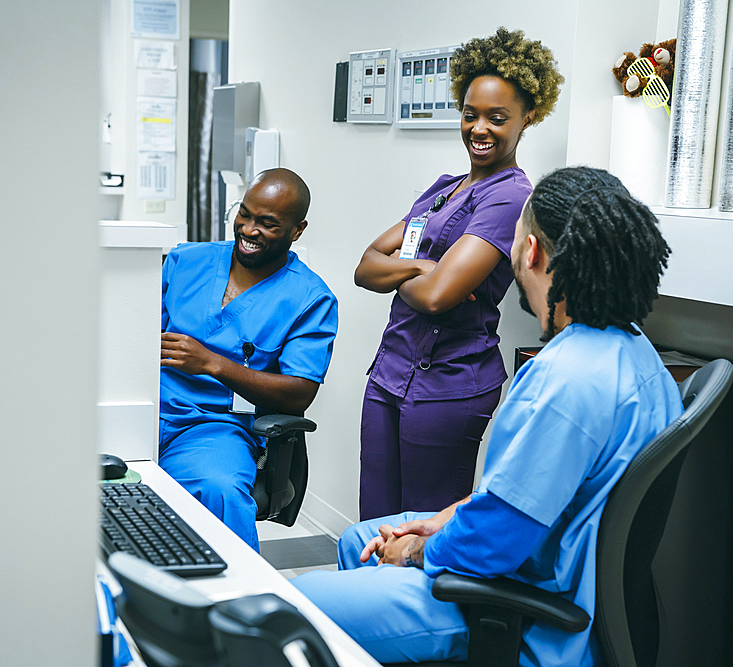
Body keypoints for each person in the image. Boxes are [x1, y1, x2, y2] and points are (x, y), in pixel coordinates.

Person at [293, 166, 683, 665]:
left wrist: (416, 551)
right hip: (542, 560)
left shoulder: (563, 381)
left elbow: (496, 540)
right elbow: (518, 499)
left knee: (299, 608)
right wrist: (438, 521)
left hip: (523, 605)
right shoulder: (637, 354)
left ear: (532, 252)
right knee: (359, 539)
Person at [352, 27, 565, 521]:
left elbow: (437, 297)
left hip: (448, 385)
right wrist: (423, 266)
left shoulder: (509, 196)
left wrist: (415, 274)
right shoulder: (444, 189)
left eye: (497, 117)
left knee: (421, 533)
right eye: (471, 114)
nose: (479, 128)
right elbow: (365, 265)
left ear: (527, 118)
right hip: (390, 374)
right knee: (376, 521)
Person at [158, 168, 337, 551]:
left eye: (268, 224)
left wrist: (213, 363)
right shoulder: (185, 261)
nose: (249, 230)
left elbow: (299, 393)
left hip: (211, 427)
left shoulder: (310, 298)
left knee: (219, 489)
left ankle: (235, 603)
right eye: (246, 214)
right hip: (145, 409)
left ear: (296, 231)